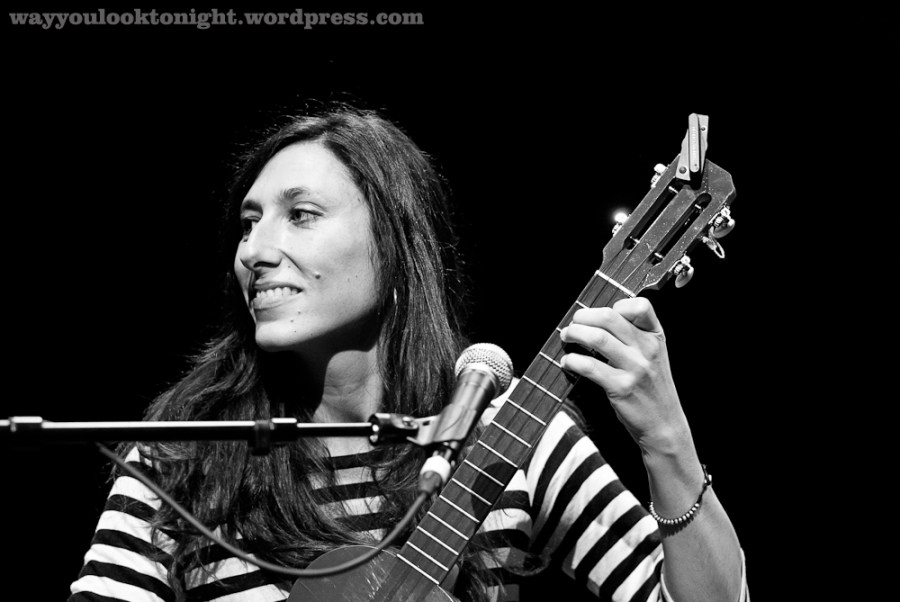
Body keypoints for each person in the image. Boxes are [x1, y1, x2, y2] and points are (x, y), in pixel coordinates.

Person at [69, 106, 749, 602]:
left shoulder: (514, 433)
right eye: (249, 224)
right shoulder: (181, 455)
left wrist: (666, 440)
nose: (256, 251)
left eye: (300, 215)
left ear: (394, 247)